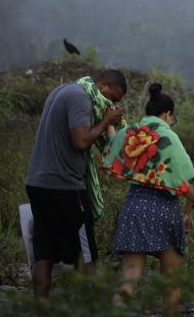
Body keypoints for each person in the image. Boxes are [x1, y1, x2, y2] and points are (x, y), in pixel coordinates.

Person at [103, 84, 194, 311]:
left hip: (134, 205)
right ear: (167, 115)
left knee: (129, 277)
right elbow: (181, 182)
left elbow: (112, 148)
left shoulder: (131, 132)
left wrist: (109, 126)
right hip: (163, 209)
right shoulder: (167, 137)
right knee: (171, 280)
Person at [24, 69, 126, 297]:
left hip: (38, 183)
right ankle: (90, 307)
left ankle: (43, 309)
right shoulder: (80, 97)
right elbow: (80, 141)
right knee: (87, 255)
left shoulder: (61, 91)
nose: (112, 104)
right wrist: (107, 121)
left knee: (44, 253)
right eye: (113, 98)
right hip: (65, 186)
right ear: (104, 86)